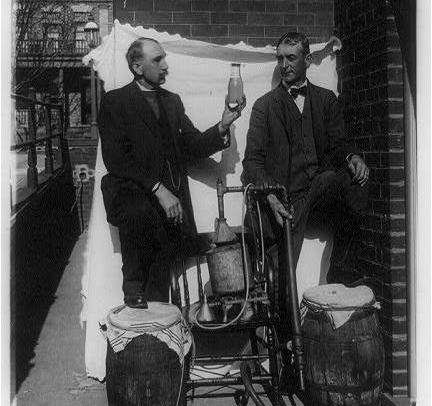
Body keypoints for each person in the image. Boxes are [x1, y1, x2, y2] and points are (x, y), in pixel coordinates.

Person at [98, 37, 244, 308]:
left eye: (164, 58)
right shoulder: (115, 101)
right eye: (157, 60)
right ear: (137, 66)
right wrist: (157, 188)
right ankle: (133, 288)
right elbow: (116, 159)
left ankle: (157, 329)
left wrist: (222, 127)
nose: (166, 66)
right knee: (140, 211)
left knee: (159, 292)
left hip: (167, 209)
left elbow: (192, 145)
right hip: (131, 195)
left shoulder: (172, 102)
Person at [241, 31, 369, 285]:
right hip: (287, 199)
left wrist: (352, 156)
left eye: (291, 58)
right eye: (280, 59)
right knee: (283, 282)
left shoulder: (326, 100)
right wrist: (270, 194)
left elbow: (339, 145)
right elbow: (251, 162)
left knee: (355, 183)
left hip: (319, 193)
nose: (284, 65)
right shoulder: (264, 107)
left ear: (308, 60)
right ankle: (286, 321)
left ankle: (340, 270)